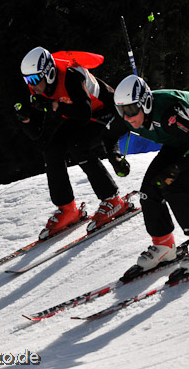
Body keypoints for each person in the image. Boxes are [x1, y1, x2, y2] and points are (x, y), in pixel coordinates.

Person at [113, 75, 189, 274]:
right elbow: (107, 134)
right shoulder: (129, 117)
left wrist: (178, 167)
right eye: (121, 111)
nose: (127, 118)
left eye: (130, 110)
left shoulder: (169, 115)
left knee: (174, 187)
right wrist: (115, 158)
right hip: (177, 143)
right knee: (149, 191)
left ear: (144, 103)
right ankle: (164, 246)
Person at [17, 47, 131, 238]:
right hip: (79, 116)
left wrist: (54, 106)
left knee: (78, 146)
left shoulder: (69, 76)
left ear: (49, 73)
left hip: (106, 111)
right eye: (27, 80)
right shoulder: (38, 85)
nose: (32, 85)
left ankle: (112, 200)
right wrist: (26, 120)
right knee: (52, 149)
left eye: (35, 79)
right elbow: (38, 133)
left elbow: (84, 112)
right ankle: (67, 208)